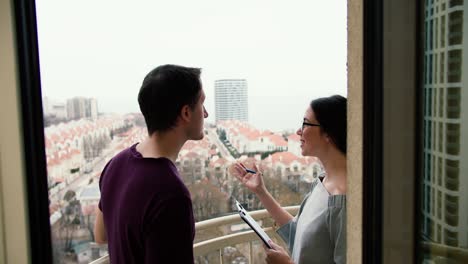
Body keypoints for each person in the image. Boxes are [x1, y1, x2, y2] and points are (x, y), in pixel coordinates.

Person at [94, 64, 208, 263]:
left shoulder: (115, 163)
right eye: (202, 103)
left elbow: (101, 235)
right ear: (186, 113)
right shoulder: (171, 194)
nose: (206, 113)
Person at [232, 95, 347, 264]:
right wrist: (261, 192)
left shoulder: (343, 200)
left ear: (328, 133)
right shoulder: (322, 182)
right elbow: (298, 234)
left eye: (305, 123)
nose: (298, 131)